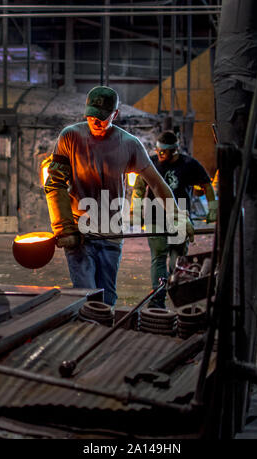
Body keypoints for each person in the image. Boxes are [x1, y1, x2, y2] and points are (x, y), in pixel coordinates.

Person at [44, 87, 194, 307]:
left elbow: (156, 182)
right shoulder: (70, 137)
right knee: (86, 297)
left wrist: (177, 215)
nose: (96, 121)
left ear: (115, 114)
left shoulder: (130, 144)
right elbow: (55, 183)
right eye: (91, 115)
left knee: (106, 299)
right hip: (79, 233)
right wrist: (64, 227)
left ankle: (102, 335)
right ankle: (88, 336)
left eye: (103, 117)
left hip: (111, 233)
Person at [131, 130, 217, 309]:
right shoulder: (151, 163)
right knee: (159, 258)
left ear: (175, 150)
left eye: (164, 151)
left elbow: (206, 185)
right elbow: (139, 187)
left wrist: (213, 208)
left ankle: (178, 295)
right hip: (155, 218)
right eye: (158, 150)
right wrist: (137, 210)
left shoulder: (189, 164)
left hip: (179, 219)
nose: (159, 154)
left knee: (178, 261)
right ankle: (157, 300)